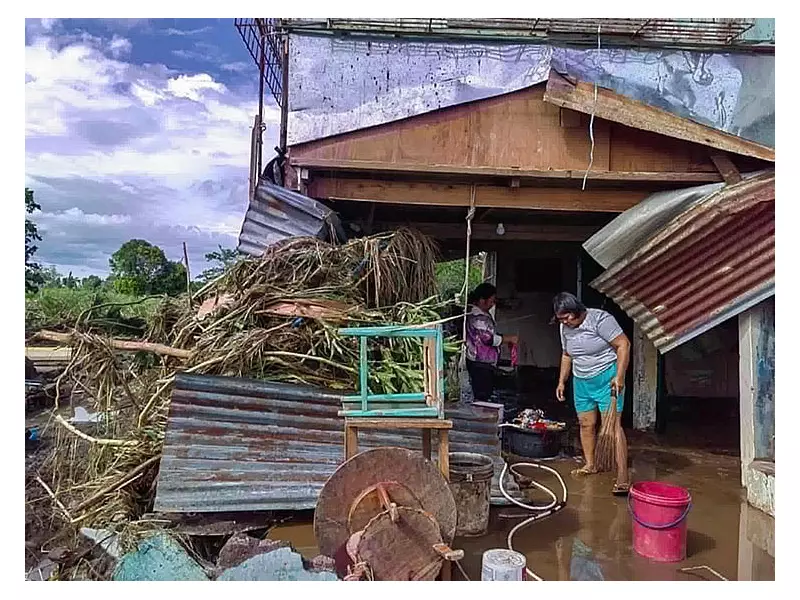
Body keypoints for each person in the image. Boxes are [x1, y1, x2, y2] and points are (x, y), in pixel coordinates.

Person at [553, 291, 631, 496]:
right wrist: (562, 381)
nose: (565, 322)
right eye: (561, 319)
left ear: (576, 310)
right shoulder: (564, 328)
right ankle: (591, 464)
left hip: (607, 378)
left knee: (612, 426)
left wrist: (619, 376)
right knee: (586, 424)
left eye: (567, 317)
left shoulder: (600, 320)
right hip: (581, 381)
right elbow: (566, 354)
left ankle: (623, 476)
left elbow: (623, 344)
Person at [465, 283, 518, 402]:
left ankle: (482, 409)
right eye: (491, 301)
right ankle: (482, 411)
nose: (493, 304)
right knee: (482, 394)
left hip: (481, 361)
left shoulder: (479, 314)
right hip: (480, 362)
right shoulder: (478, 317)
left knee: (484, 392)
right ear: (482, 300)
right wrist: (507, 339)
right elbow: (487, 339)